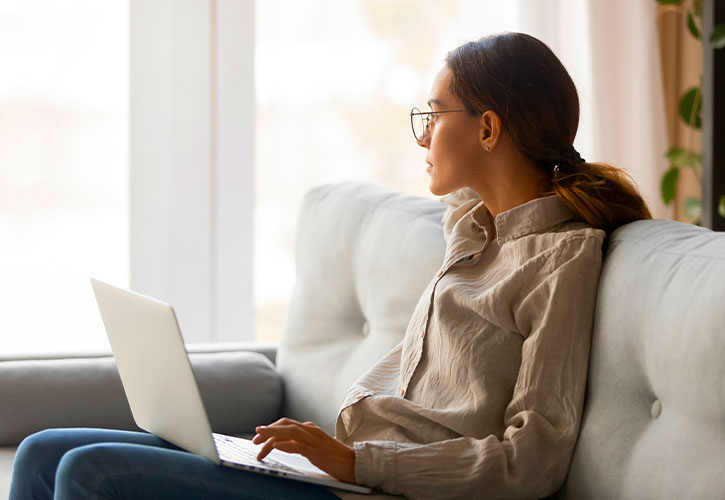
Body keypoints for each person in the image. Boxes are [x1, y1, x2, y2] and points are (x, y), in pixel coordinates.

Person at [10, 32, 651, 500]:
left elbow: (531, 462)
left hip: (377, 487)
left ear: (488, 129)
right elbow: (499, 179)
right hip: (342, 471)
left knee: (87, 474)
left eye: (433, 115)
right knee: (43, 450)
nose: (423, 136)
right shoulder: (472, 229)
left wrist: (355, 463)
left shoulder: (560, 260)